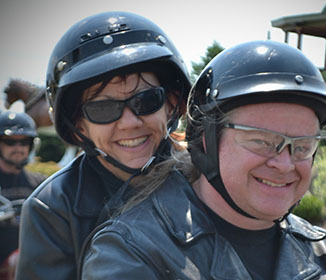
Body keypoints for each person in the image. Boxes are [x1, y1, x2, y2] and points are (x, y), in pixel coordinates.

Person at [81, 40, 326, 279]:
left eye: (302, 146)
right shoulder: (132, 252)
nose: (285, 164)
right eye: (262, 141)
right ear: (206, 142)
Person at [15, 11, 190, 280]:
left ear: (170, 103)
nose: (129, 122)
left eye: (146, 100)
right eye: (103, 109)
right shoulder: (52, 207)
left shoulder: (208, 179)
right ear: (79, 125)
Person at [0, 111, 46, 267]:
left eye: (24, 142)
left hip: (34, 263)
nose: (18, 148)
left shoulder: (41, 184)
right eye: (10, 142)